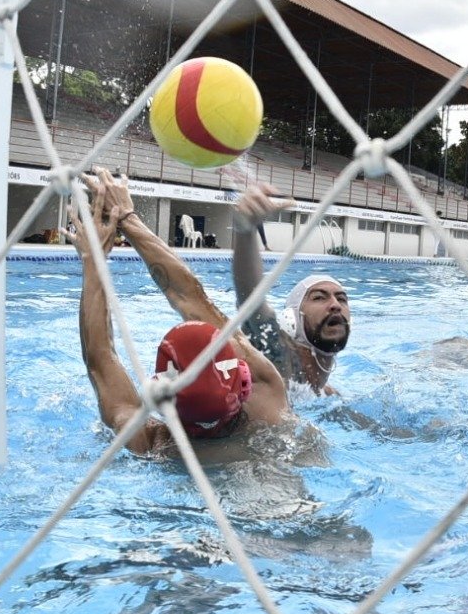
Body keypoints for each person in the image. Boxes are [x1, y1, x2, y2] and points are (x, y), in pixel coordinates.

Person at [71, 169, 290, 456]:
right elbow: (192, 299)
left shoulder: (152, 442)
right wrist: (127, 218)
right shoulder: (268, 403)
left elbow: (100, 358)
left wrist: (92, 260)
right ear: (244, 382)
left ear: (160, 397)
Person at [229, 182, 349, 394]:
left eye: (341, 298)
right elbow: (251, 302)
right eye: (319, 297)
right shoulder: (278, 363)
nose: (335, 305)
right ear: (293, 320)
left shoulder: (330, 396)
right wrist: (245, 231)